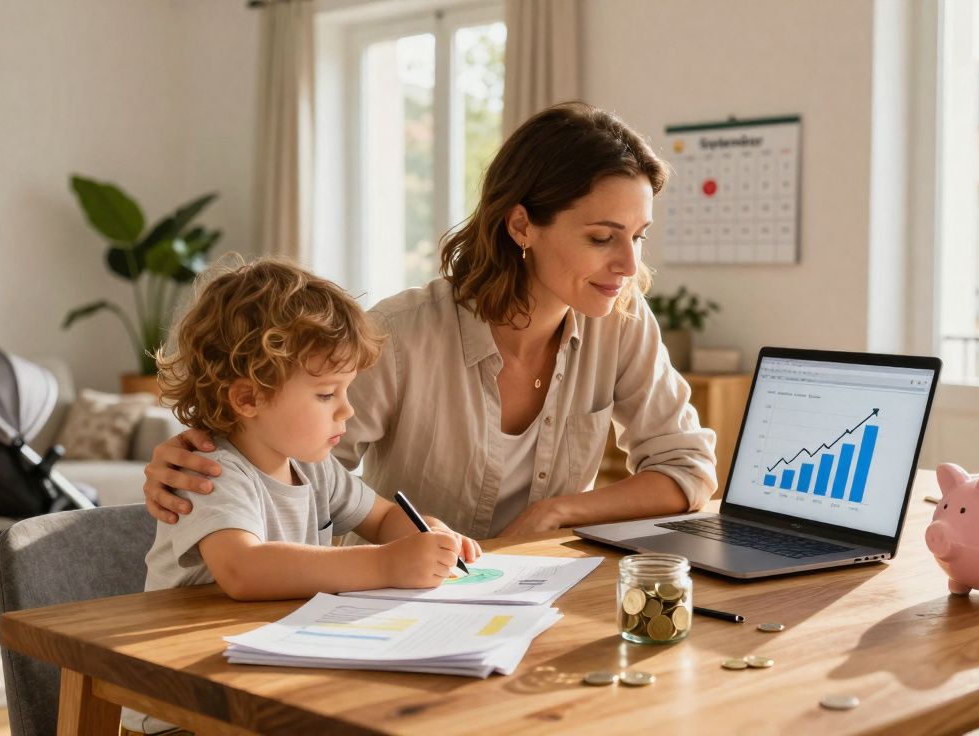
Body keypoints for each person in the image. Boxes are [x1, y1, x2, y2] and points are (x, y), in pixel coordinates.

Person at [142, 102, 717, 539]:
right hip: (404, 602)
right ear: (521, 226)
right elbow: (291, 471)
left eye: (638, 238)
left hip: (548, 594)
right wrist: (201, 462)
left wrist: (559, 511)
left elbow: (688, 470)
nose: (629, 265)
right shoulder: (403, 332)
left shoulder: (622, 321)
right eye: (601, 238)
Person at [121, 258, 481, 736]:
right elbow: (243, 570)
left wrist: (428, 532)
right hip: (180, 708)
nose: (347, 410)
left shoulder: (313, 466)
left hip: (259, 682)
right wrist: (387, 565)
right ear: (248, 398)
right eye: (326, 394)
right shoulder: (211, 471)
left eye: (346, 391)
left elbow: (382, 517)